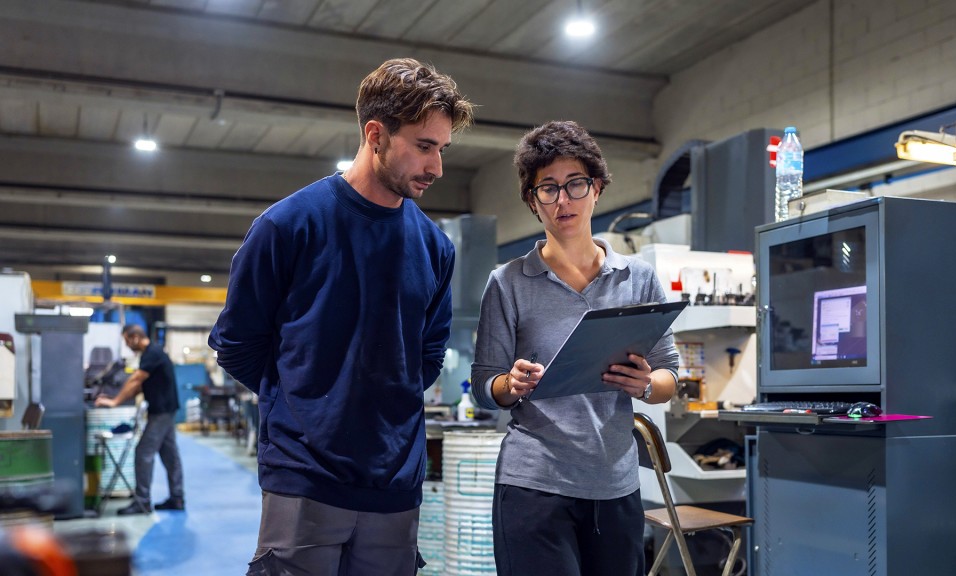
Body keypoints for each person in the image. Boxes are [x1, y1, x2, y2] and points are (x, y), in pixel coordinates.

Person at [208, 57, 474, 576]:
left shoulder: (434, 247)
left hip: (396, 485)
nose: (437, 167)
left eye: (441, 149)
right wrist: (305, 403)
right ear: (376, 134)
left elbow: (428, 355)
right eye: (424, 146)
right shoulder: (288, 227)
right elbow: (237, 342)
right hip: (305, 478)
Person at [471, 120, 680, 576]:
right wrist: (512, 382)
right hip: (533, 486)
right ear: (532, 201)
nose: (562, 200)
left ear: (597, 189)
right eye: (547, 189)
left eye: (575, 184)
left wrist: (646, 384)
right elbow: (483, 387)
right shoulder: (507, 283)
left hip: (615, 486)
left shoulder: (638, 278)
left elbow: (669, 377)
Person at [95, 324, 185, 515]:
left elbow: (136, 379)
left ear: (135, 337)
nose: (128, 345)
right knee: (170, 456)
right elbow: (139, 385)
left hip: (161, 412)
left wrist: (115, 401)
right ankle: (177, 498)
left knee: (143, 452)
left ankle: (142, 501)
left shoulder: (152, 352)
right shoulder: (150, 354)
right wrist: (119, 398)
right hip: (164, 410)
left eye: (127, 340)